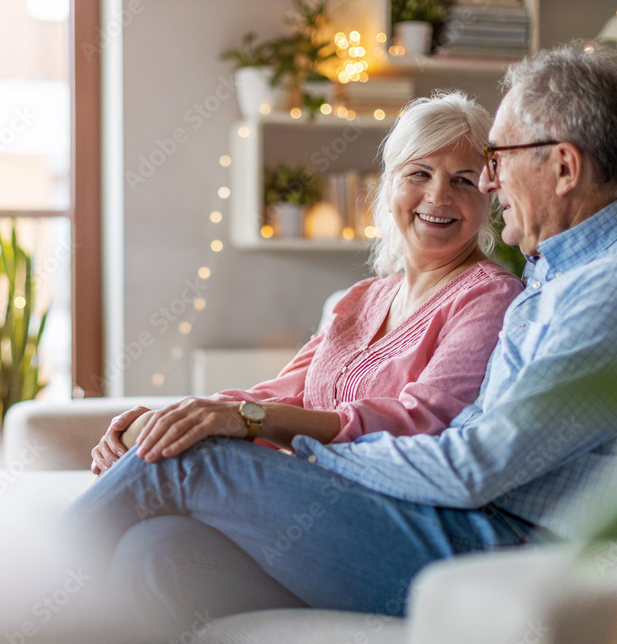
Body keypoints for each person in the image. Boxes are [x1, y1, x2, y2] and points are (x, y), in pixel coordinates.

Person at [53, 41, 617, 642]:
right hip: (466, 525)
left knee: (195, 463)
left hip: (506, 549)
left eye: (495, 160)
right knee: (158, 551)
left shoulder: (610, 289)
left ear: (563, 166)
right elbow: (459, 439)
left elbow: (468, 465)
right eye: (424, 173)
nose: (490, 181)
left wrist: (297, 451)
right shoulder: (560, 274)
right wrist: (215, 424)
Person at [91, 91, 523, 475]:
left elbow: (418, 421)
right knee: (153, 534)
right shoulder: (361, 298)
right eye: (420, 173)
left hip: (371, 501)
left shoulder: (489, 297)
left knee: (166, 466)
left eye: (463, 180)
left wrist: (242, 418)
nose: (438, 196)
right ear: (389, 186)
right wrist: (176, 414)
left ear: (489, 198)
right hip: (304, 481)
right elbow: (277, 396)